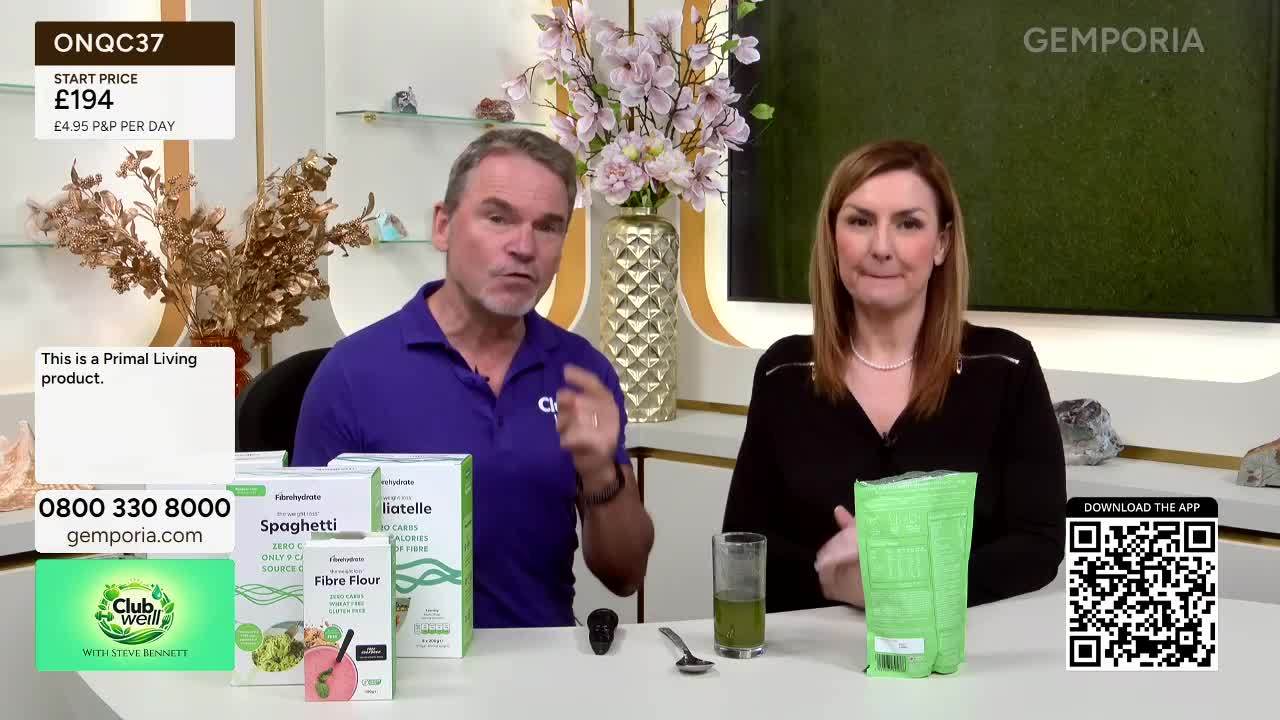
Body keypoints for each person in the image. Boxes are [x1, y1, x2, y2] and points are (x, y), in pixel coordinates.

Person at [293, 128, 655, 628]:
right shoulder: (353, 375)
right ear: (443, 227)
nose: (524, 246)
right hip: (399, 677)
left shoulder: (581, 370)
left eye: (548, 227)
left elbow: (626, 576)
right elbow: (302, 572)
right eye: (498, 217)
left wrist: (601, 474)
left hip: (541, 674)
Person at [722, 139, 1066, 611]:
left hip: (957, 662)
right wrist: (834, 578)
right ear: (832, 237)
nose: (881, 247)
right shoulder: (783, 372)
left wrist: (898, 584)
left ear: (942, 243)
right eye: (861, 221)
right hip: (813, 663)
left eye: (908, 224)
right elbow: (745, 546)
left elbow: (1039, 545)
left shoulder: (1006, 367)